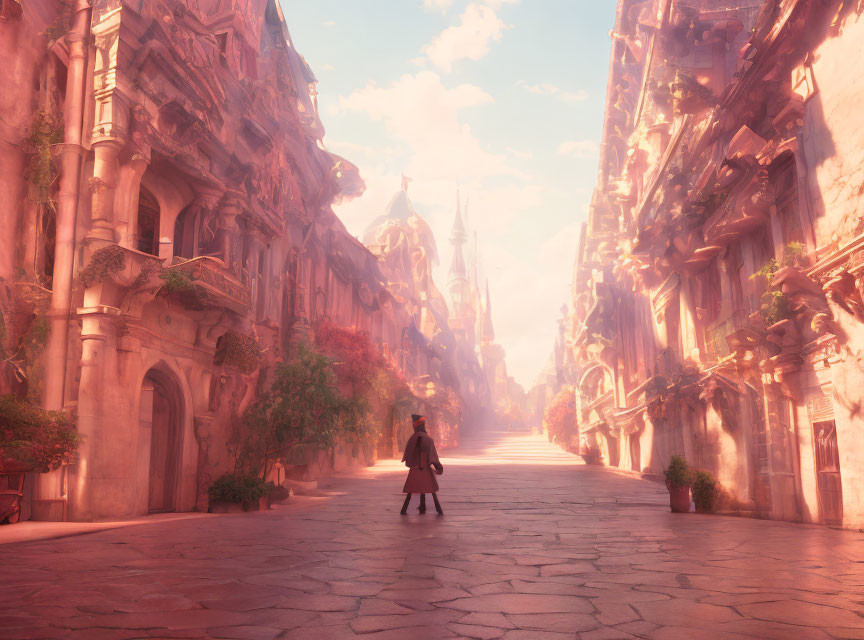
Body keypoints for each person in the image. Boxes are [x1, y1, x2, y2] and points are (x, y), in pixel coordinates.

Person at [400, 414, 444, 515]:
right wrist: (439, 468)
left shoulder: (411, 439)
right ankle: (438, 509)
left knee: (410, 492)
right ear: (423, 426)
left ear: (415, 425)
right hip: (426, 472)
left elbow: (407, 458)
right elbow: (434, 458)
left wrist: (414, 465)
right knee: (432, 491)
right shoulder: (428, 439)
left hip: (414, 473)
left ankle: (404, 510)